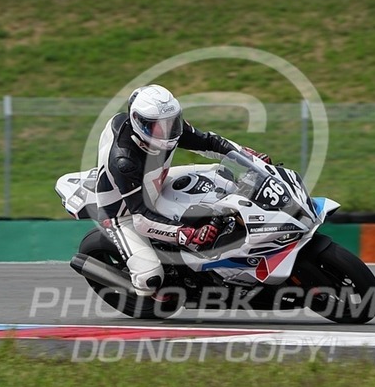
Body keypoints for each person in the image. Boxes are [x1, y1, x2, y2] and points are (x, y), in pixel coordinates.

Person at [94, 84, 271, 297]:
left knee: (224, 176)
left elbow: (209, 142)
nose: (166, 130)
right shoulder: (125, 161)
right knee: (150, 279)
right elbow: (141, 218)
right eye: (157, 127)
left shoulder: (166, 126)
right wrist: (187, 234)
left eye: (171, 122)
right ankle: (140, 286)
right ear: (138, 122)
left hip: (158, 181)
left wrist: (250, 159)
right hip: (125, 214)